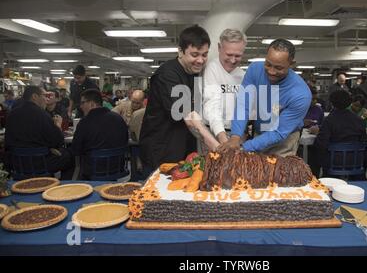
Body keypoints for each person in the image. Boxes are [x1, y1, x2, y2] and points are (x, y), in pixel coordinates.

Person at [217, 39, 311, 157]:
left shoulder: (301, 95)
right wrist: (235, 136)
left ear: (291, 64)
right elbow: (243, 104)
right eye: (268, 64)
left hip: (284, 140)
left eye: (278, 68)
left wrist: (244, 147)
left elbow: (279, 132)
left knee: (277, 173)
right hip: (259, 131)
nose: (271, 71)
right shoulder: (255, 70)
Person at [139, 25, 211, 173]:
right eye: (195, 54)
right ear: (180, 51)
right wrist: (216, 146)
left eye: (204, 55)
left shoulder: (195, 74)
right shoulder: (167, 75)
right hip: (161, 150)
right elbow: (190, 117)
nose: (200, 60)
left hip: (184, 148)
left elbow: (196, 111)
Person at [5, 86, 74, 178]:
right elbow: (58, 141)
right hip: (40, 164)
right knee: (69, 156)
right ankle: (59, 187)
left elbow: (8, 142)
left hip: (16, 164)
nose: (46, 99)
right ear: (34, 96)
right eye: (44, 96)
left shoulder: (12, 114)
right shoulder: (41, 114)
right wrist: (57, 126)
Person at [70, 89, 128, 180]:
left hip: (93, 171)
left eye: (82, 103)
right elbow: (125, 141)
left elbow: (75, 150)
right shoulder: (118, 118)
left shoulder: (84, 123)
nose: (80, 106)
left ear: (92, 104)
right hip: (117, 168)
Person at [203, 28, 247, 144]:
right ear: (219, 48)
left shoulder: (243, 75)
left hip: (237, 134)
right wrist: (223, 138)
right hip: (214, 132)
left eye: (238, 56)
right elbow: (212, 104)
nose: (233, 60)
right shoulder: (211, 69)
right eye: (229, 54)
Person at [311, 90, 367, 176]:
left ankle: (315, 179)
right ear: (349, 103)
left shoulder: (329, 120)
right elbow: (364, 141)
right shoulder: (359, 120)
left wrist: (318, 133)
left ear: (332, 103)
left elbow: (321, 144)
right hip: (355, 160)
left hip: (333, 162)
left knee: (313, 152)